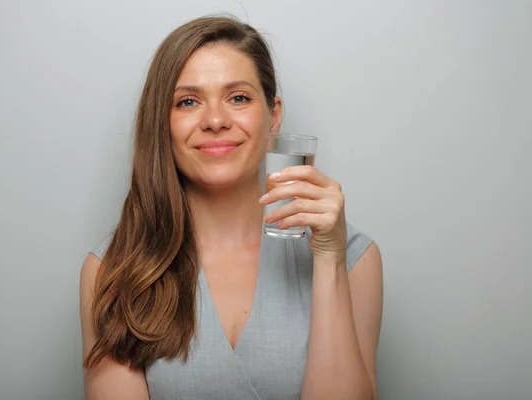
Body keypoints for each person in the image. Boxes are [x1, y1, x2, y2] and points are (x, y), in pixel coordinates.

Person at [79, 15, 383, 400]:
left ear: (273, 115)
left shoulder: (356, 259)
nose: (216, 121)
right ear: (162, 122)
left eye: (238, 97)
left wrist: (328, 259)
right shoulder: (112, 269)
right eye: (188, 102)